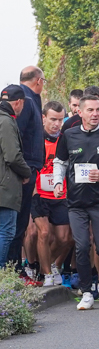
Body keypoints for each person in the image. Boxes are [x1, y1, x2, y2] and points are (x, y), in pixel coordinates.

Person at [52, 94, 99, 310]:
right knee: (82, 246)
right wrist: (57, 183)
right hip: (76, 201)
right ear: (79, 112)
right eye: (90, 110)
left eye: (98, 110)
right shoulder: (68, 134)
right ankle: (87, 291)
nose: (95, 114)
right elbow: (60, 162)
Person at [10, 67, 45, 275]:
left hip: (26, 167)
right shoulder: (27, 100)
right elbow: (18, 136)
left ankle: (13, 267)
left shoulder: (28, 99)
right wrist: (24, 170)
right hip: (25, 168)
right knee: (18, 221)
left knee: (19, 221)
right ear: (39, 81)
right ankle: (13, 268)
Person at [33, 101, 71, 286]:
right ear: (43, 118)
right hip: (38, 193)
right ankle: (47, 274)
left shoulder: (65, 139)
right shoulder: (35, 139)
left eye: (60, 119)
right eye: (53, 119)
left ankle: (49, 265)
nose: (56, 124)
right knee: (44, 233)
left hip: (60, 194)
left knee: (65, 238)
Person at [0, 86, 31, 268]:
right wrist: (26, 172)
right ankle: (2, 274)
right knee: (6, 231)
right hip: (5, 186)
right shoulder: (6, 122)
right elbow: (12, 156)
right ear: (18, 103)